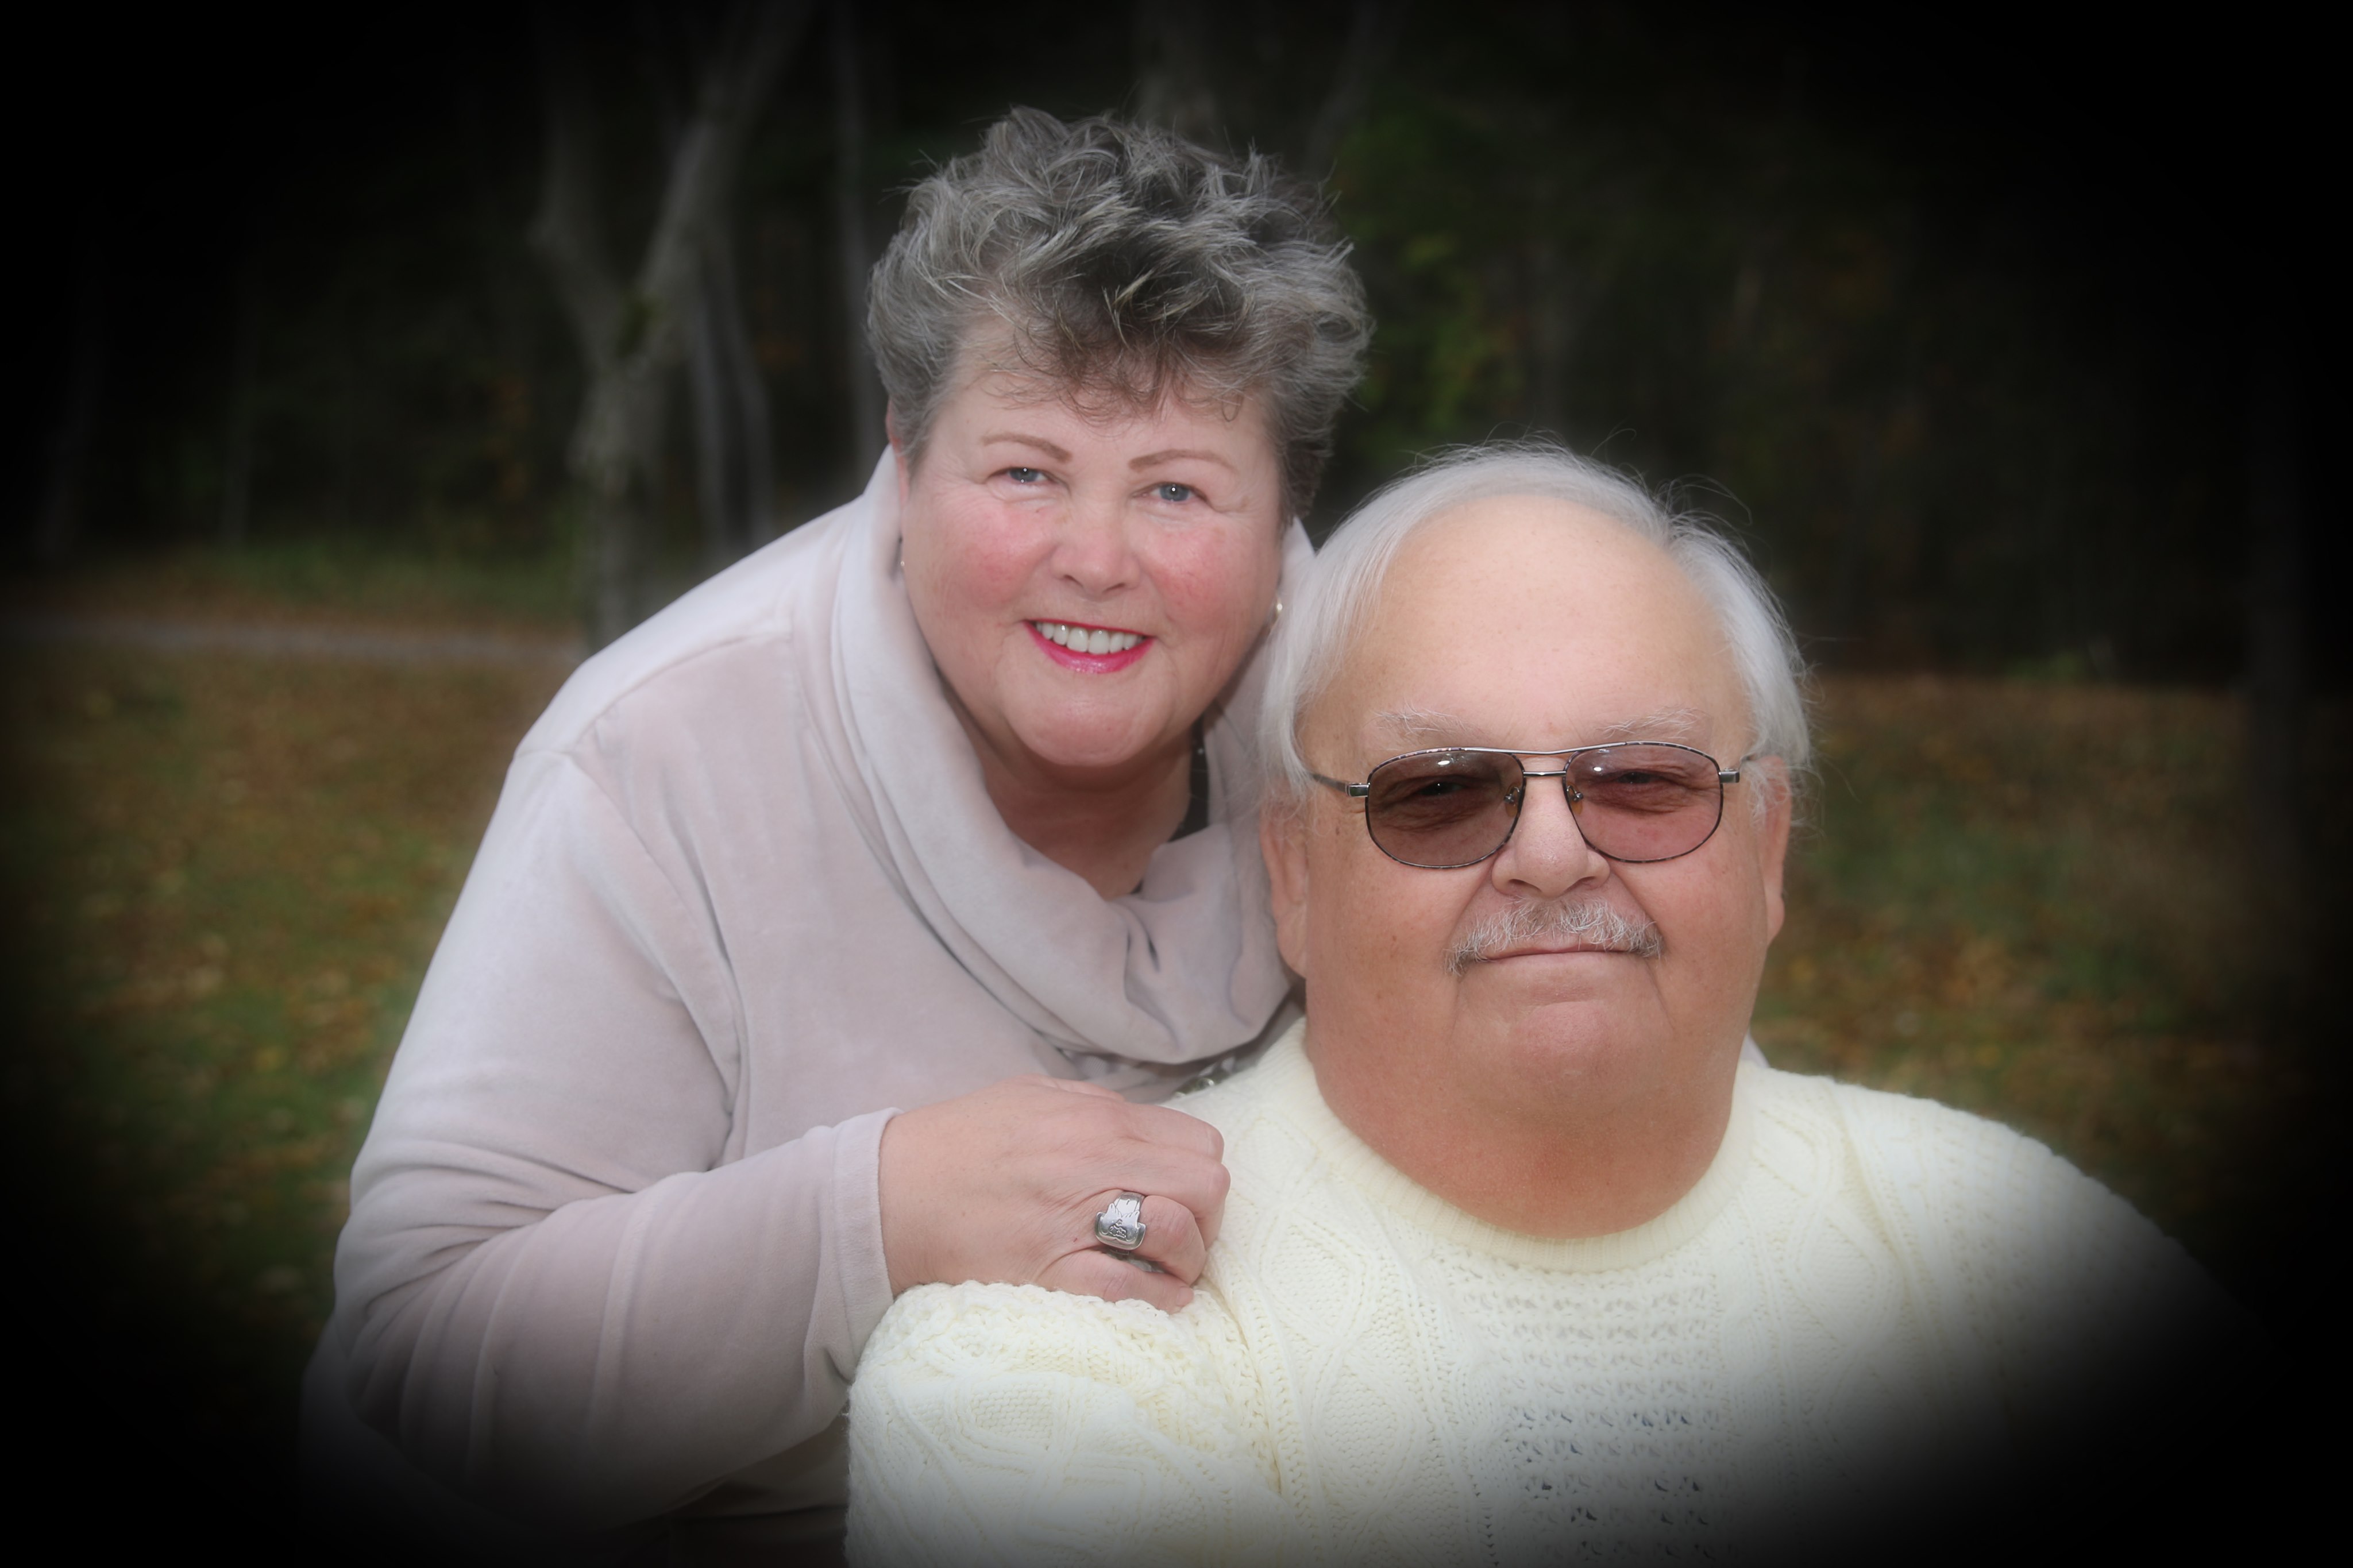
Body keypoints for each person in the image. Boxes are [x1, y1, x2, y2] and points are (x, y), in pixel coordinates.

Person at [844, 446, 2239, 1563]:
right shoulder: (1058, 1336)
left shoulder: (2017, 1251)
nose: (1554, 853)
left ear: (1765, 849)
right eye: (1439, 792)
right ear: (1293, 871)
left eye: (1643, 781)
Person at [303, 109, 1371, 1555]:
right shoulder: (654, 755)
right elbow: (422, 1351)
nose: (1095, 560)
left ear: (1282, 519)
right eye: (1026, 471)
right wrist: (875, 1218)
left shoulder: (1373, 741)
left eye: (1175, 490)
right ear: (904, 456)